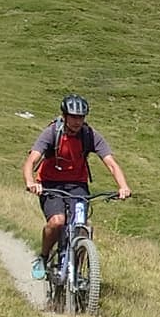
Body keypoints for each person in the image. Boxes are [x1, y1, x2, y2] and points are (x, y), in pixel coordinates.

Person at [22, 95, 131, 279]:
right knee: (57, 222)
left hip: (77, 185)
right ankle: (43, 257)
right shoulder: (52, 132)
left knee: (81, 227)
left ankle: (76, 273)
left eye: (81, 117)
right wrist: (30, 182)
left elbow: (111, 163)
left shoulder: (89, 135)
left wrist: (123, 186)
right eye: (73, 117)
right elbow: (31, 160)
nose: (77, 121)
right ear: (64, 116)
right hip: (51, 184)